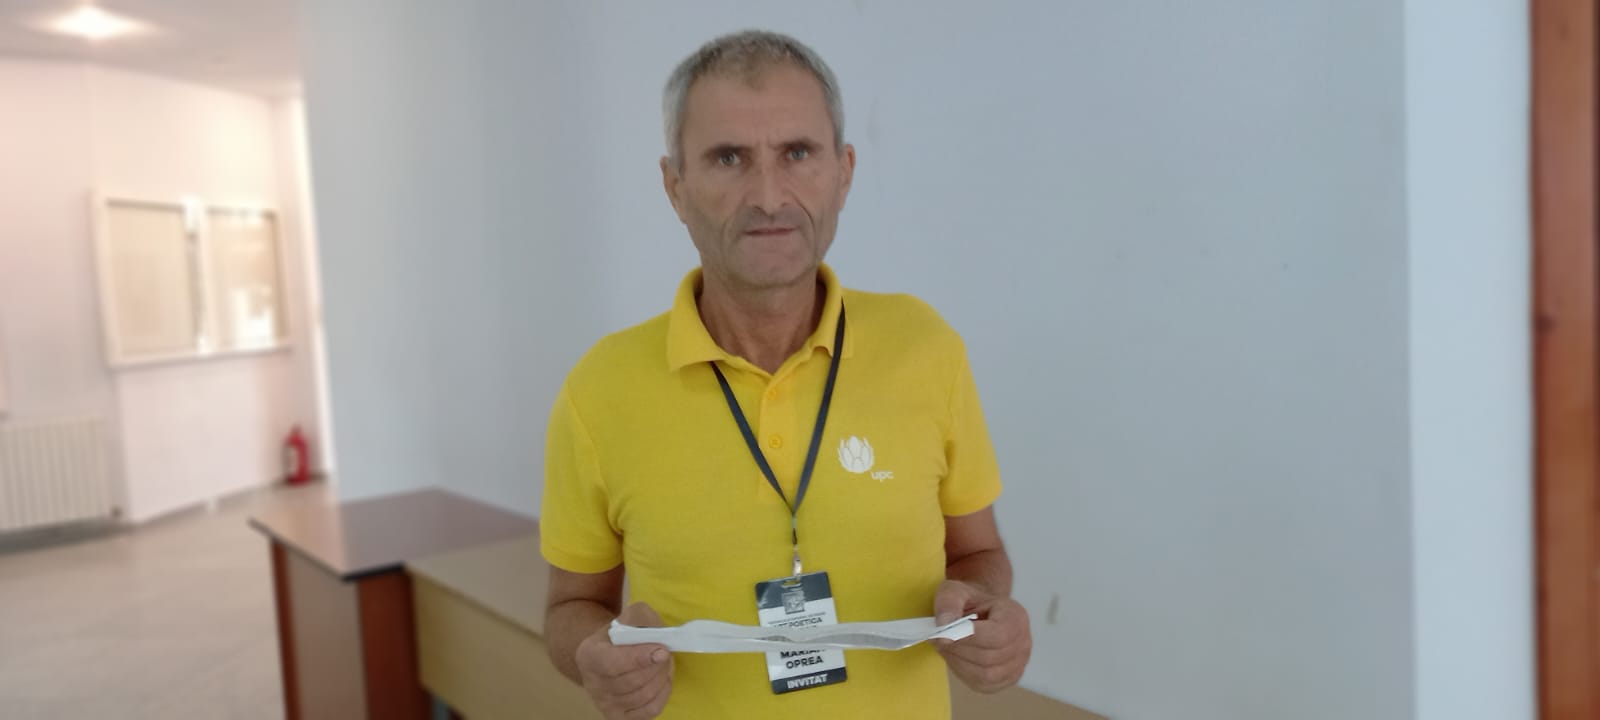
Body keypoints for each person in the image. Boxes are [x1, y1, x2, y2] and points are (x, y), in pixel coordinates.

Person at [540, 29, 1031, 719]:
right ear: (675, 186)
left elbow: (979, 553)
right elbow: (571, 605)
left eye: (797, 153)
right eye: (728, 158)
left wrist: (986, 612)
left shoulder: (926, 348)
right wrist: (592, 652)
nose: (768, 195)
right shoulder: (599, 390)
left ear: (843, 171)